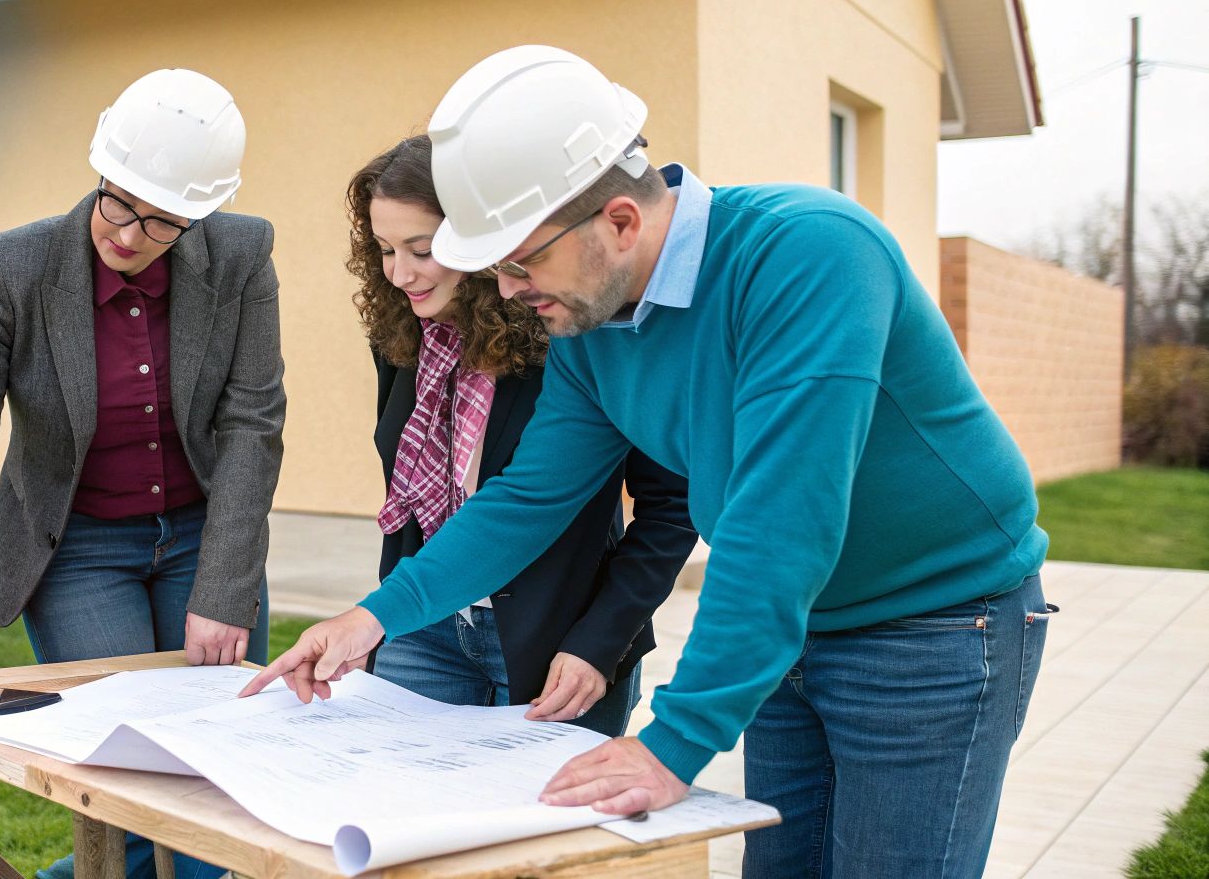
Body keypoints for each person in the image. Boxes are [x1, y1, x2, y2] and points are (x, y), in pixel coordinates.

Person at [246, 46, 1054, 878]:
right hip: (799, 628)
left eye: (521, 263)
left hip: (937, 627)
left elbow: (780, 526)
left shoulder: (810, 256)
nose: (511, 290)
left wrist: (673, 744)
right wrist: (374, 616)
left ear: (621, 222)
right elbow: (529, 497)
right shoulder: (593, 327)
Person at [0, 68, 285, 879]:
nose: (128, 234)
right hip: (79, 548)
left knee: (223, 779)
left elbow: (252, 426)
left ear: (198, 215)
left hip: (204, 536)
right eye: (117, 202)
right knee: (132, 791)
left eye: (161, 222)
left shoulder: (241, 257)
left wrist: (226, 590)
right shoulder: (8, 271)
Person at [347, 134, 695, 734]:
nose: (400, 274)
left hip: (559, 641)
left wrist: (600, 641)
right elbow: (405, 500)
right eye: (383, 250)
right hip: (423, 629)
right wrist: (376, 619)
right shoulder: (403, 339)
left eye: (422, 249)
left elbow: (669, 506)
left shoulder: (577, 333)